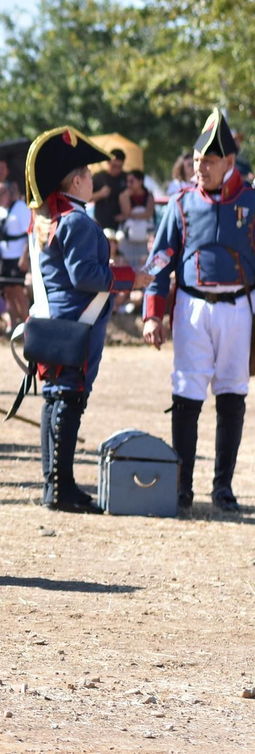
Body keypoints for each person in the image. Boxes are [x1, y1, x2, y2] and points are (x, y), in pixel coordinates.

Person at [143, 109, 255, 513]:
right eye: (196, 160)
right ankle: (181, 486)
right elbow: (160, 261)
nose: (199, 168)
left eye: (208, 161)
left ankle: (222, 488)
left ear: (229, 161)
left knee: (232, 395)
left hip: (239, 308)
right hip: (191, 307)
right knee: (187, 395)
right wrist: (153, 313)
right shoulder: (182, 203)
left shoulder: (252, 202)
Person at [23, 127, 135, 513]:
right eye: (88, 174)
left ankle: (55, 483)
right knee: (68, 400)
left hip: (54, 323)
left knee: (55, 400)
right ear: (76, 180)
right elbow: (86, 276)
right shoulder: (78, 222)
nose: (93, 179)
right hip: (75, 326)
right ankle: (61, 487)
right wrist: (127, 276)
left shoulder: (48, 219)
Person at [0, 181, 32, 326]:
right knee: (7, 292)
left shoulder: (21, 208)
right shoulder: (0, 212)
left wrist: (25, 257)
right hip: (4, 256)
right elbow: (3, 234)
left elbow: (29, 233)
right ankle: (13, 325)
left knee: (18, 292)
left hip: (18, 256)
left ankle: (28, 327)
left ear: (6, 193)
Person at [116, 169, 154, 270]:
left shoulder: (148, 195)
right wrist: (126, 197)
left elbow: (148, 213)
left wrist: (129, 216)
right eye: (127, 181)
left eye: (132, 181)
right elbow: (126, 211)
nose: (129, 184)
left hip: (144, 239)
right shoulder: (124, 195)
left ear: (140, 181)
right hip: (128, 240)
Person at [88, 148, 128, 233]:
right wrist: (100, 194)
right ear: (108, 162)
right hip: (101, 222)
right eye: (114, 166)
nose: (116, 169)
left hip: (122, 225)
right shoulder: (98, 177)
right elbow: (86, 198)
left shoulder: (127, 178)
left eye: (119, 167)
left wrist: (126, 214)